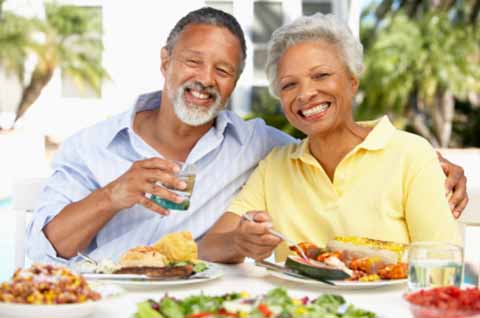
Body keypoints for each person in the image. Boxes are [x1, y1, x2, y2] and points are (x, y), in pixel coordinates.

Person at [26, 8, 467, 265]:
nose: (204, 80)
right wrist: (114, 194)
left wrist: (429, 164)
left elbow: (445, 266)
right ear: (166, 63)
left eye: (222, 70)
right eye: (192, 62)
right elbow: (43, 250)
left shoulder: (261, 148)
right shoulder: (93, 146)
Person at [199, 13, 464, 263]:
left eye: (321, 75)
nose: (305, 94)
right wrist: (239, 242)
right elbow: (209, 246)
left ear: (352, 81)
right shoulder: (275, 166)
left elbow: (441, 261)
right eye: (289, 85)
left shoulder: (412, 155)